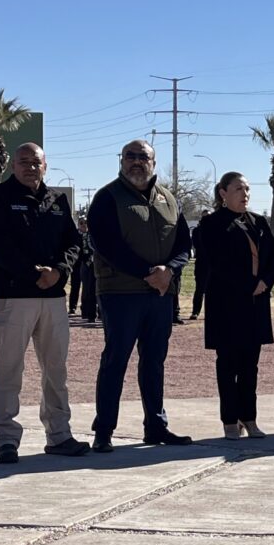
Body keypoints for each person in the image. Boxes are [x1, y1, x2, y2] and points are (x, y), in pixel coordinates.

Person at [0, 143, 90, 464]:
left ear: (46, 166)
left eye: (36, 162)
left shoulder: (57, 201)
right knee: (9, 369)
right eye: (23, 162)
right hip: (14, 297)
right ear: (13, 165)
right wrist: (33, 274)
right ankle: (6, 438)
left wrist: (58, 272)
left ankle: (59, 435)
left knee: (56, 370)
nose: (30, 167)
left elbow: (73, 242)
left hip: (53, 298)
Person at [87, 139, 192, 452]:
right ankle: (104, 431)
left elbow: (184, 244)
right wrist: (149, 272)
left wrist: (169, 271)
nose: (135, 161)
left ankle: (156, 426)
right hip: (120, 293)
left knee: (154, 362)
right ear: (121, 161)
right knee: (115, 360)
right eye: (129, 156)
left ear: (153, 162)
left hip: (160, 294)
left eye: (142, 157)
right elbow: (106, 244)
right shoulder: (108, 198)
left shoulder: (169, 199)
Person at [200, 173, 274, 439]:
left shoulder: (257, 221)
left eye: (247, 189)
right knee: (228, 365)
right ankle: (229, 420)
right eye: (238, 189)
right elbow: (216, 263)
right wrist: (248, 284)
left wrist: (264, 282)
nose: (244, 193)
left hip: (256, 304)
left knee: (250, 366)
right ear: (223, 193)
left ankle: (249, 417)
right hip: (227, 305)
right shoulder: (211, 224)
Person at [189, 209, 210, 320]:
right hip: (201, 263)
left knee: (213, 290)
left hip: (213, 264)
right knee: (199, 289)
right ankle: (195, 311)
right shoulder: (197, 231)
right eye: (205, 217)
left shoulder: (216, 230)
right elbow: (197, 245)